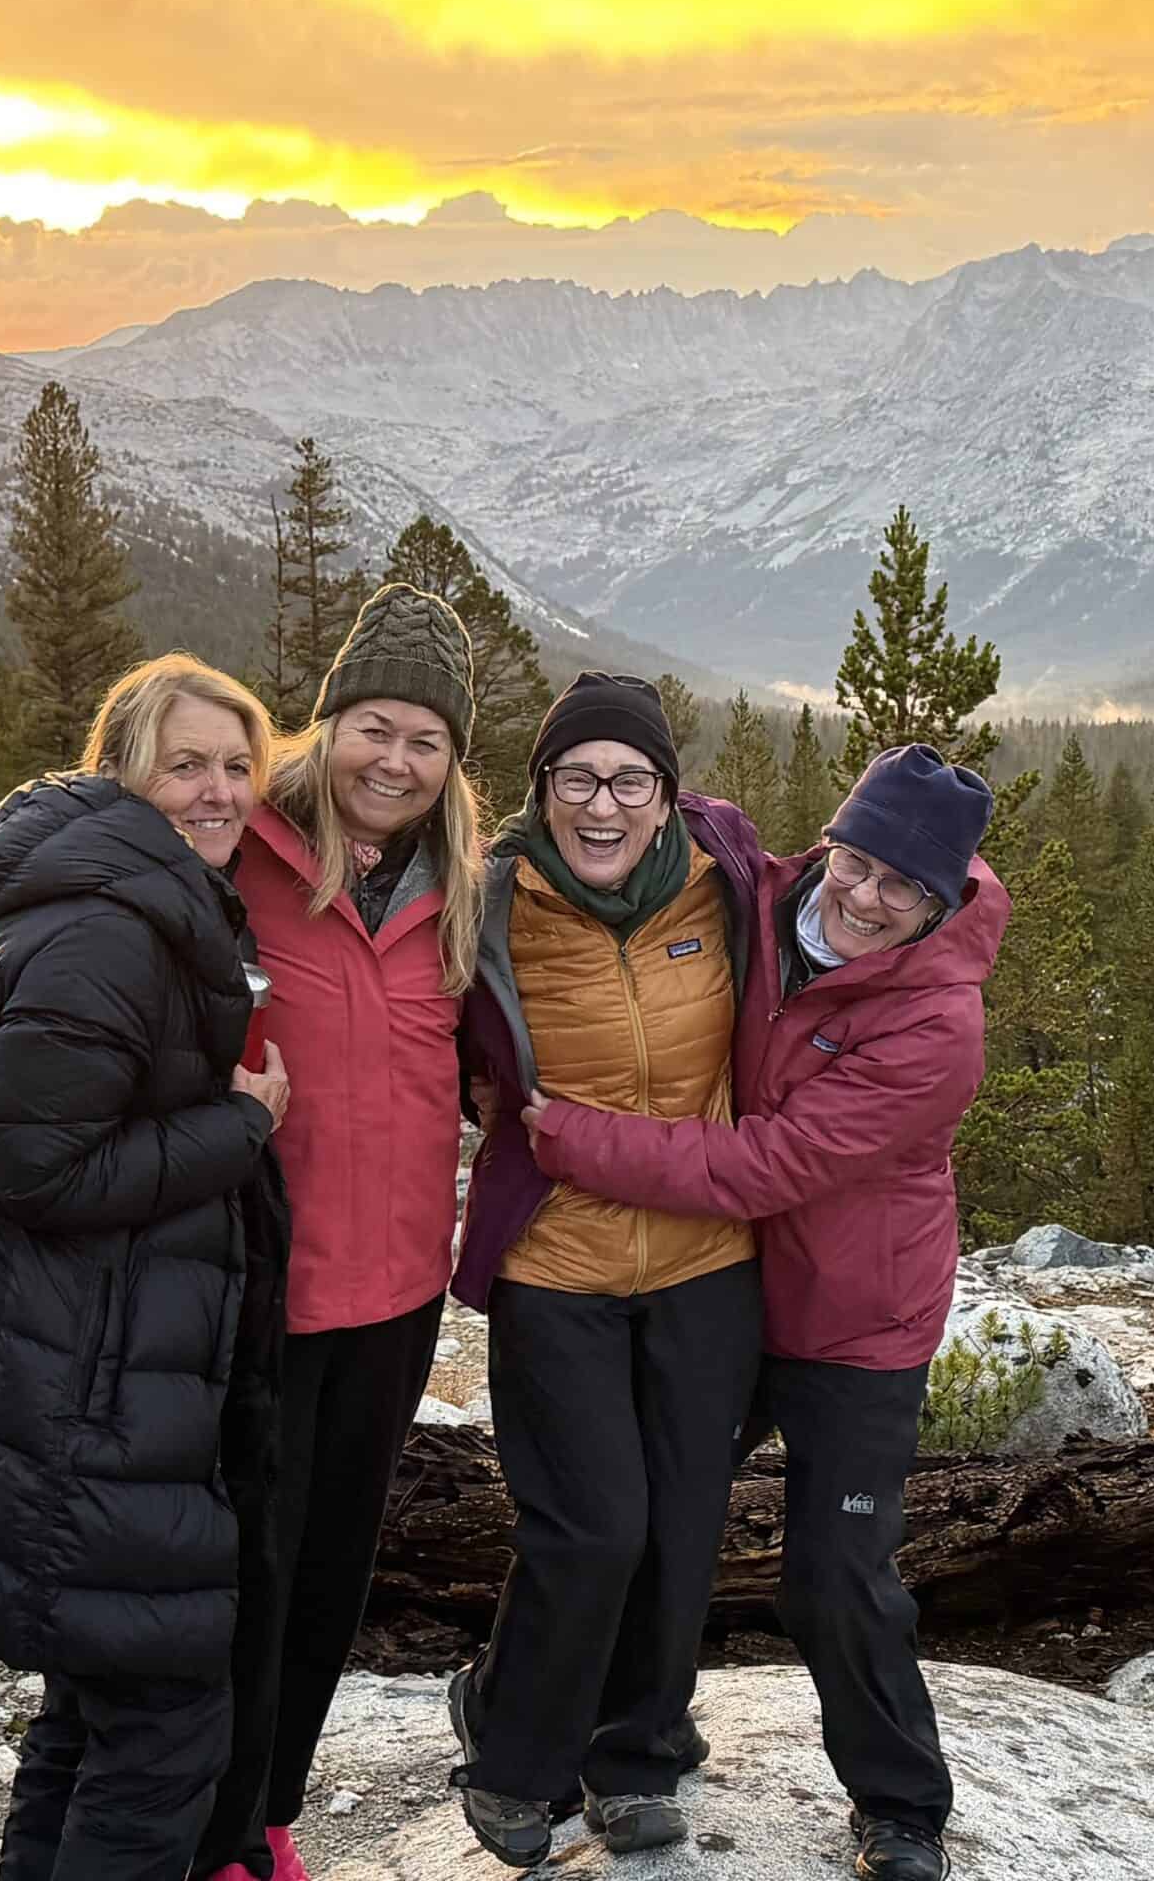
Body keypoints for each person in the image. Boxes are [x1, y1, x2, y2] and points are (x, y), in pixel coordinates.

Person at [522, 745, 1007, 1881]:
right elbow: (645, 800)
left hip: (856, 1317)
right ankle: (602, 1726)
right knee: (649, 1520)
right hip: (725, 1285)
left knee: (833, 1575)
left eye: (905, 888)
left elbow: (766, 1165)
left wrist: (567, 1136)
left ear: (943, 900)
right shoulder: (755, 895)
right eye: (858, 862)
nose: (867, 899)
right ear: (829, 841)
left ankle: (901, 1806)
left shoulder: (939, 1021)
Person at [0, 654, 295, 1881]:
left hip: (86, 1376)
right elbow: (36, 1171)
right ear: (120, 774)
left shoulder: (127, 904)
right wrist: (241, 1124)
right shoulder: (108, 935)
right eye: (186, 766)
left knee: (92, 1710)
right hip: (82, 1397)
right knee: (166, 1735)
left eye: (237, 767)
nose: (218, 792)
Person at [445, 672, 765, 1868]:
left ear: (668, 795)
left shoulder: (727, 878)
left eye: (630, 780)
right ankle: (513, 1753)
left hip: (706, 1259)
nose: (602, 804)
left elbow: (879, 903)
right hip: (556, 1260)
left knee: (680, 1532)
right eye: (576, 778)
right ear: (540, 788)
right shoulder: (487, 900)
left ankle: (635, 1758)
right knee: (589, 1528)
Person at [192, 584, 485, 1881]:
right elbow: (81, 940)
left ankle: (269, 1816)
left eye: (426, 740)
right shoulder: (236, 847)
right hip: (260, 1281)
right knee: (245, 1570)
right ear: (329, 725)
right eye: (375, 728)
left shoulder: (463, 887)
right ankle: (209, 1828)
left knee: (330, 1577)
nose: (395, 762)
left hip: (398, 1291)